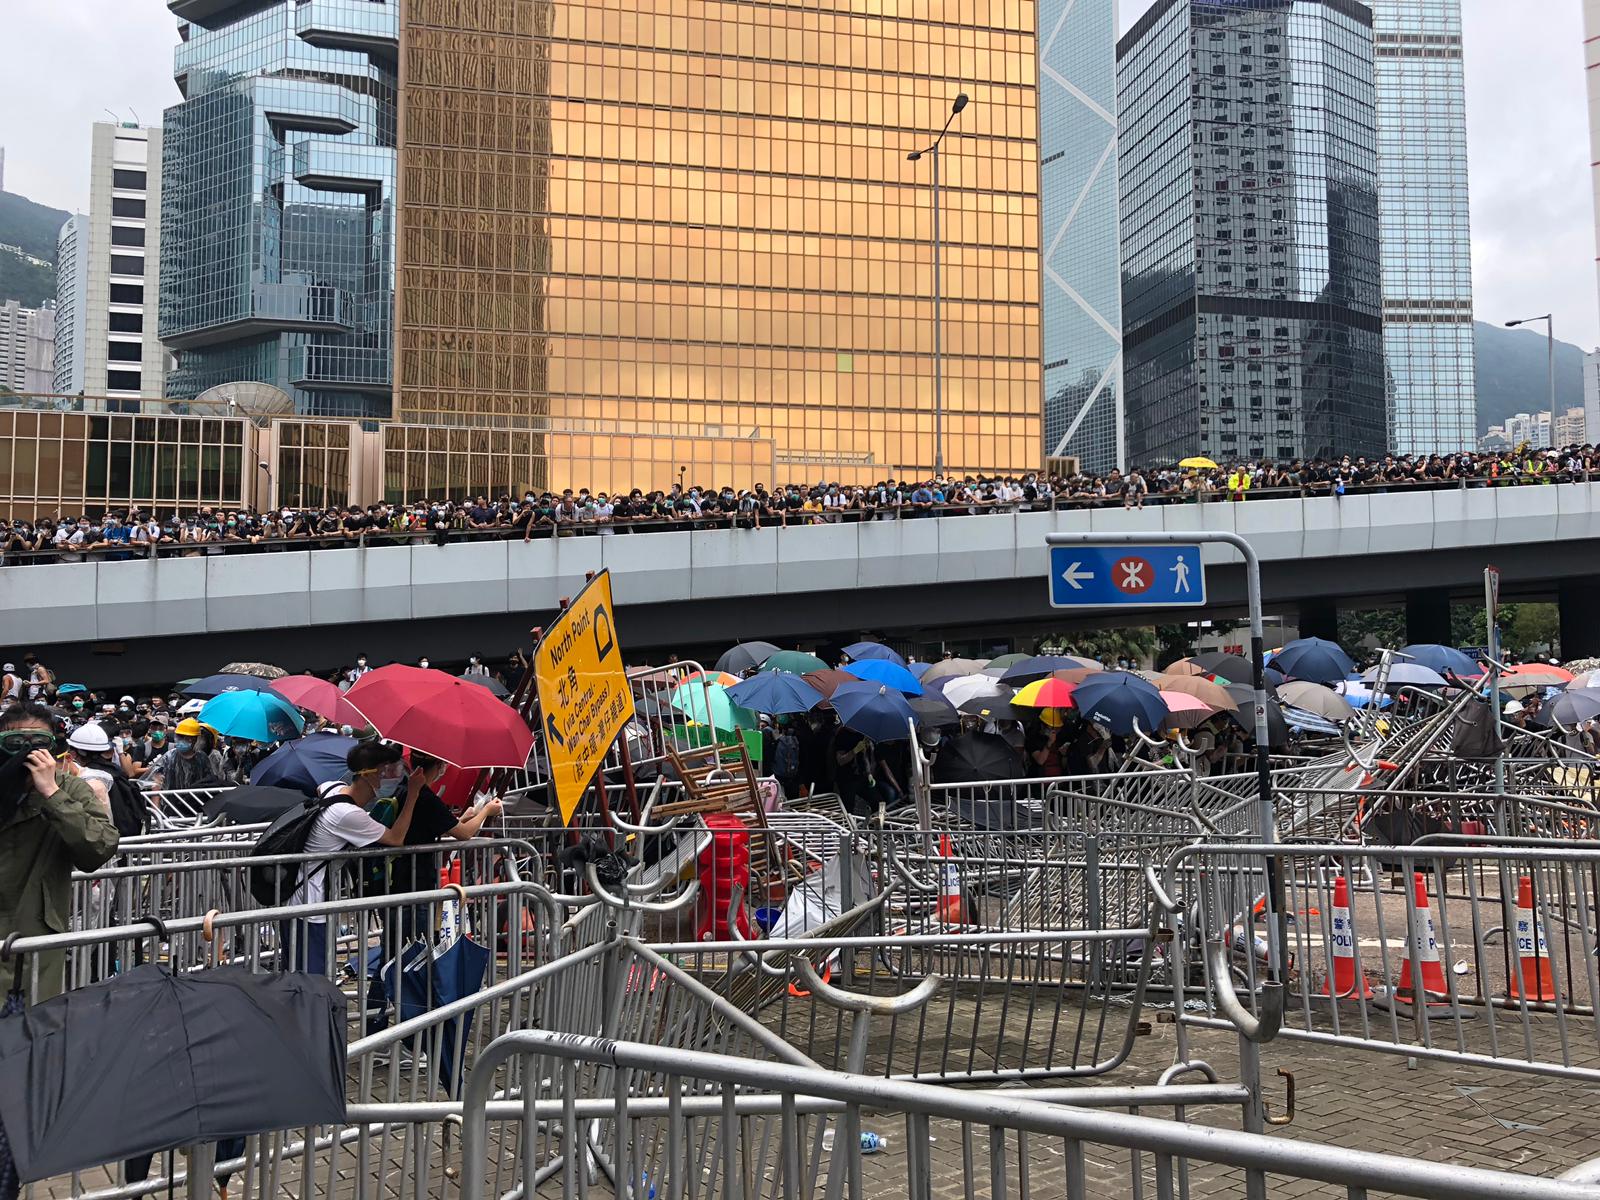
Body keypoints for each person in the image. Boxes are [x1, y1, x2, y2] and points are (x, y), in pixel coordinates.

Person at [0, 703, 121, 1000]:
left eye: (40, 744)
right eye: (14, 743)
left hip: (36, 932)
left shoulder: (70, 789)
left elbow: (100, 847)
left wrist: (52, 795)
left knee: (34, 1025)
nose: (27, 753)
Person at [283, 741, 423, 976]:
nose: (388, 779)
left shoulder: (332, 788)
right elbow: (396, 838)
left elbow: (321, 789)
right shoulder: (349, 815)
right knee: (310, 977)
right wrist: (413, 795)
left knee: (299, 973)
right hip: (309, 904)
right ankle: (310, 1013)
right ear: (369, 775)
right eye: (384, 772)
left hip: (294, 896)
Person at [145, 717, 227, 791]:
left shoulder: (202, 758)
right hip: (171, 803)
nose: (183, 740)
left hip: (196, 802)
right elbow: (157, 783)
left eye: (188, 737)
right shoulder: (169, 757)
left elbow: (208, 781)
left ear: (195, 739)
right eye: (180, 736)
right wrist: (155, 806)